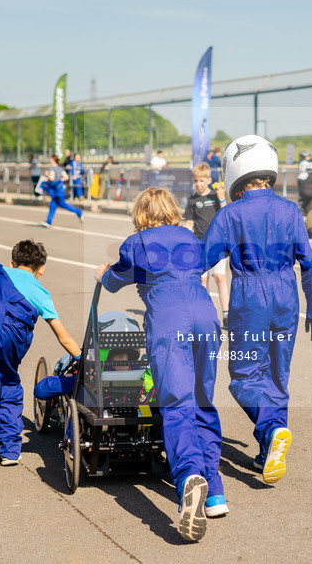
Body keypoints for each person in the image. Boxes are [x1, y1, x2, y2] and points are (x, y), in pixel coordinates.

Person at [95, 187, 223, 541]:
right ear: (172, 209)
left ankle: (188, 478)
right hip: (205, 318)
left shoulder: (136, 243)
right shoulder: (190, 237)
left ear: (141, 213)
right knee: (202, 402)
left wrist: (102, 274)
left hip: (170, 322)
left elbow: (116, 279)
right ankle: (214, 493)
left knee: (177, 405)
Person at [203, 134, 312, 487]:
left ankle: (271, 429)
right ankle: (266, 449)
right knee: (276, 376)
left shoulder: (231, 214)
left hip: (249, 295)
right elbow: (310, 265)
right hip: (287, 295)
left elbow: (202, 258)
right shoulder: (290, 210)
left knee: (243, 377)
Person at [0, 240, 81, 466]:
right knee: (8, 382)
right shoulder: (40, 291)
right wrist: (82, 358)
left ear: (11, 262)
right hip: (11, 338)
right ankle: (9, 449)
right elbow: (62, 336)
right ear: (42, 269)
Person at [183, 163, 229, 328]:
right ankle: (208, 314)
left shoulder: (215, 196)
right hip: (200, 245)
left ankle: (226, 313)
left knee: (220, 277)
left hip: (218, 245)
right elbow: (189, 222)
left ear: (209, 180)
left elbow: (225, 214)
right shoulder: (192, 200)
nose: (198, 184)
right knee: (203, 281)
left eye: (202, 181)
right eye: (195, 181)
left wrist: (222, 197)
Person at [39, 154, 83, 228]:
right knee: (53, 205)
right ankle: (48, 221)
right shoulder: (59, 168)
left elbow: (52, 178)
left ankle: (79, 212)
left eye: (51, 159)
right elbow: (66, 177)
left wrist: (47, 175)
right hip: (60, 189)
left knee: (62, 204)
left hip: (56, 190)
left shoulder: (52, 168)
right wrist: (59, 180)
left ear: (53, 160)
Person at [296, 150, 312, 215]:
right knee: (304, 196)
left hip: (303, 180)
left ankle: (304, 210)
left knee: (304, 197)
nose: (309, 157)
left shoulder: (304, 162)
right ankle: (302, 210)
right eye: (308, 156)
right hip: (303, 181)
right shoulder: (303, 162)